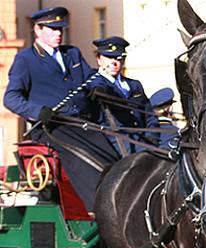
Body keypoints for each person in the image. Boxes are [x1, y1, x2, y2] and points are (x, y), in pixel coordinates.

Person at [3, 6, 120, 213]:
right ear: (37, 30)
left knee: (112, 156)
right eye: (53, 29)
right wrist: (38, 111)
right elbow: (11, 98)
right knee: (83, 158)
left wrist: (100, 87)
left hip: (83, 123)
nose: (58, 33)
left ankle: (121, 200)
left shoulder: (72, 53)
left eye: (61, 29)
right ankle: (98, 210)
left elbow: (89, 79)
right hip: (51, 126)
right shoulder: (26, 60)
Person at [88, 36, 159, 155]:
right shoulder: (94, 82)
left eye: (118, 58)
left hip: (144, 143)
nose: (114, 62)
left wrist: (152, 138)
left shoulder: (134, 85)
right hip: (115, 146)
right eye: (109, 57)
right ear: (99, 59)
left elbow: (149, 115)